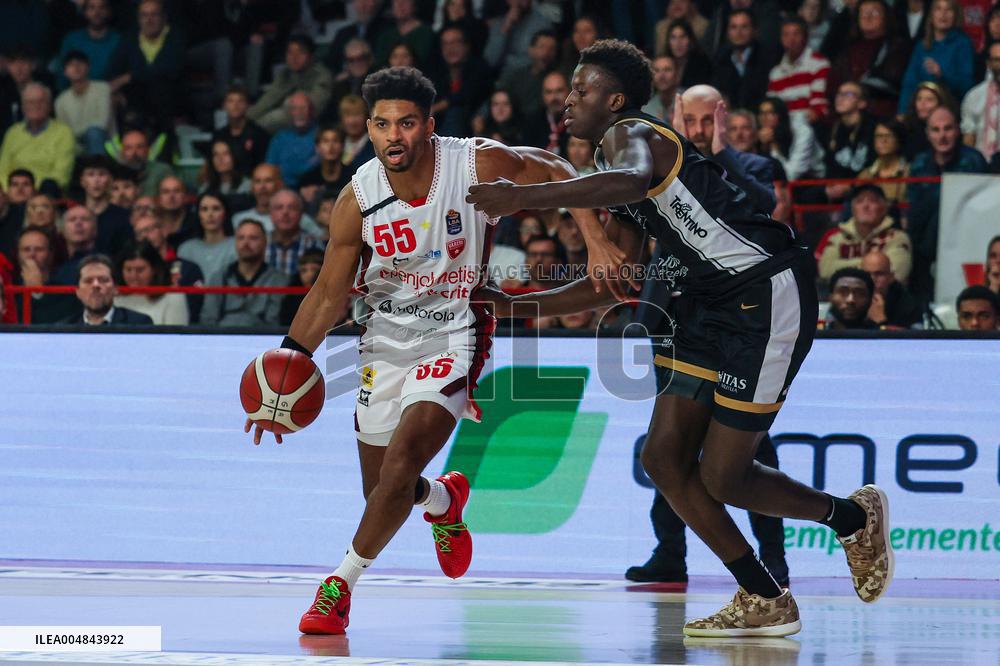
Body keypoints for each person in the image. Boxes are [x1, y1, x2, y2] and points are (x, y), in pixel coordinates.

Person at [467, 39, 892, 638]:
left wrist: (524, 197)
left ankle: (850, 516)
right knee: (663, 457)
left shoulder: (632, 136)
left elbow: (631, 178)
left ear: (614, 100)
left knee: (725, 478)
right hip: (705, 304)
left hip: (764, 293)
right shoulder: (608, 175)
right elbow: (617, 281)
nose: (567, 100)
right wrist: (516, 307)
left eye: (581, 90)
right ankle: (762, 596)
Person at [257, 65, 618, 636]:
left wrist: (596, 239)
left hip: (454, 330)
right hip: (382, 341)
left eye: (405, 123)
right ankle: (443, 502)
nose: (393, 136)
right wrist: (285, 370)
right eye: (381, 125)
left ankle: (337, 588)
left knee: (398, 470)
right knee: (386, 493)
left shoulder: (476, 164)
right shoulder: (358, 198)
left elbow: (558, 169)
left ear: (429, 124)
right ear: (368, 128)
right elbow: (328, 293)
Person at [907, 105, 988, 301]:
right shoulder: (919, 163)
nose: (942, 136)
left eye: (948, 128)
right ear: (927, 134)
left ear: (958, 130)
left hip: (966, 236)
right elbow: (914, 210)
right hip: (925, 241)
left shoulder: (973, 160)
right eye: (936, 130)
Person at [816, 184, 912, 285]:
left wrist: (844, 267)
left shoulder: (897, 238)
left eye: (873, 201)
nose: (865, 206)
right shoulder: (837, 238)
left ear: (884, 208)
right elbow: (825, 271)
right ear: (852, 208)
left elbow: (897, 273)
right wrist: (873, 267)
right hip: (844, 297)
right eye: (859, 201)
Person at [201, 218, 287, 326]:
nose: (246, 243)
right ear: (235, 242)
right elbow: (208, 319)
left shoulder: (278, 279)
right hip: (222, 339)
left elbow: (274, 322)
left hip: (263, 339)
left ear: (265, 242)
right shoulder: (219, 277)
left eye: (253, 238)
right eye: (241, 238)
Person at [898, 0, 975, 117]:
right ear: (931, 14)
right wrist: (902, 113)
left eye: (949, 10)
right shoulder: (921, 46)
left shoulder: (963, 44)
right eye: (938, 9)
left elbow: (967, 86)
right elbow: (909, 83)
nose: (943, 14)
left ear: (956, 15)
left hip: (949, 111)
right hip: (919, 111)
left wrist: (942, 75)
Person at [247, 34, 333, 135]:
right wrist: (246, 119)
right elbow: (268, 100)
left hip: (312, 127)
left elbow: (314, 109)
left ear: (311, 56)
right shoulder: (285, 74)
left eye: (300, 52)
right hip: (282, 121)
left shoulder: (322, 75)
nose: (294, 57)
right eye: (290, 52)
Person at [0, 83, 75, 194]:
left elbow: (61, 175)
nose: (36, 106)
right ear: (23, 107)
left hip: (45, 197)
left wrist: (30, 191)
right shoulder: (13, 132)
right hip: (12, 196)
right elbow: (2, 170)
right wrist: (11, 191)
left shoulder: (64, 133)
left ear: (49, 106)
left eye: (41, 101)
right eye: (30, 102)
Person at [711, 9, 779, 112]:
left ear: (754, 30)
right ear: (728, 32)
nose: (739, 33)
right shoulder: (720, 60)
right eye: (734, 27)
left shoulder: (767, 57)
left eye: (744, 27)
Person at [767, 16, 831, 124]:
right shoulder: (775, 73)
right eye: (786, 35)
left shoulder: (819, 64)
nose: (791, 39)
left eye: (796, 34)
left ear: (805, 37)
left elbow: (819, 107)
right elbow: (772, 107)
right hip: (784, 128)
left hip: (809, 125)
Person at [113, 241, 189, 325]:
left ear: (155, 269)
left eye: (140, 270)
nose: (133, 276)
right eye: (128, 270)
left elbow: (175, 336)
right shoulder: (115, 296)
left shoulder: (173, 296)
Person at [54, 51, 114, 156]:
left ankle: (98, 167)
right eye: (71, 65)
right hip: (77, 146)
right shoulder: (61, 101)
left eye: (80, 64)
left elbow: (102, 123)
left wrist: (78, 133)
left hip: (106, 142)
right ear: (65, 72)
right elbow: (65, 133)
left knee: (94, 133)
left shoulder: (102, 89)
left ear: (88, 67)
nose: (76, 67)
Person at [68, 254, 153, 326]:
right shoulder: (64, 329)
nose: (96, 285)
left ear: (115, 288)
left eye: (103, 280)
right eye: (88, 281)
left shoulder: (139, 323)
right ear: (78, 291)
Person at [79, 154, 132, 258]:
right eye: (91, 175)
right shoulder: (74, 216)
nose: (96, 180)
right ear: (82, 181)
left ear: (111, 180)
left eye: (102, 174)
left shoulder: (123, 217)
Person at [211, 85, 270, 178]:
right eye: (230, 101)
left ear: (248, 105)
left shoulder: (259, 135)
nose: (235, 105)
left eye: (240, 101)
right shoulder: (219, 135)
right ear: (224, 106)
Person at [178, 192, 237, 283]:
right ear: (198, 214)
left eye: (216, 209)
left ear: (225, 213)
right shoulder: (186, 249)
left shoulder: (237, 245)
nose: (210, 214)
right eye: (204, 209)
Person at [264, 92, 318, 188]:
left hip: (311, 187)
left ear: (311, 111)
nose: (299, 112)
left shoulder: (320, 136)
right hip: (282, 188)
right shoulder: (279, 138)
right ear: (290, 112)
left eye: (303, 108)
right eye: (295, 109)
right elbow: (270, 169)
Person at [266, 189, 324, 276]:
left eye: (292, 207)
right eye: (279, 207)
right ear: (270, 213)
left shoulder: (314, 243)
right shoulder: (260, 241)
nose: (285, 212)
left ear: (301, 213)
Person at [960, 40, 1000, 163]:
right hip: (980, 167)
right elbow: (969, 138)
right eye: (997, 60)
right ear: (988, 64)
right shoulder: (974, 96)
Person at [861, 250, 923, 328]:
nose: (872, 279)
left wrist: (881, 321)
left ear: (891, 277)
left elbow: (909, 338)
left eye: (879, 274)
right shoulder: (850, 299)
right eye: (866, 274)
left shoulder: (907, 305)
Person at [116, 128, 174, 197]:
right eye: (129, 148)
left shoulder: (162, 170)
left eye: (139, 147)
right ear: (122, 152)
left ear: (147, 150)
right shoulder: (114, 173)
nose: (134, 153)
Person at [279, 248, 326, 326]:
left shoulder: (333, 294)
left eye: (314, 269)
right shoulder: (291, 296)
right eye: (304, 270)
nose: (308, 275)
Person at [642, 55, 680, 123]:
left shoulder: (688, 100)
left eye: (667, 70)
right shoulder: (646, 110)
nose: (661, 76)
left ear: (677, 75)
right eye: (656, 70)